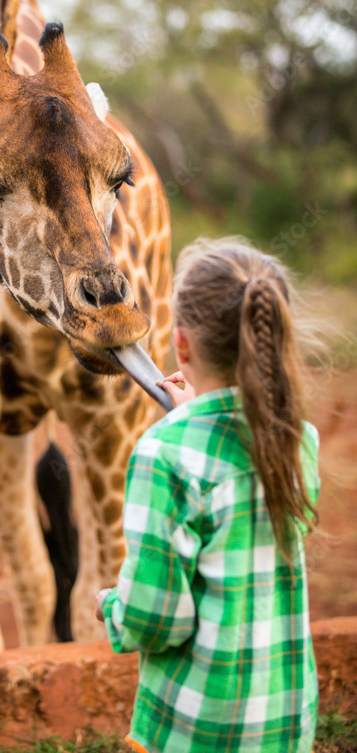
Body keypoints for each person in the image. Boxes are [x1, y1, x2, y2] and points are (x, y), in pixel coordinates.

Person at [96, 237, 320, 753]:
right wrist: (190, 415)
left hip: (196, 730)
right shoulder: (298, 441)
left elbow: (156, 620)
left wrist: (110, 606)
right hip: (284, 722)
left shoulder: (164, 455)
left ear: (181, 346)